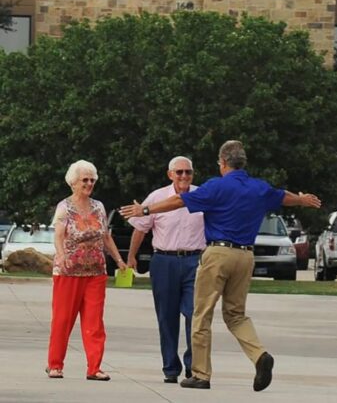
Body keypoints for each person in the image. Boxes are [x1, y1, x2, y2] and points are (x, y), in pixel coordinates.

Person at [119, 140, 321, 391]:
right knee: (236, 315)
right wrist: (302, 200)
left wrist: (145, 210)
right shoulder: (259, 187)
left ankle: (201, 374)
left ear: (223, 163)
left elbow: (179, 201)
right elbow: (283, 197)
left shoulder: (216, 186)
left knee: (201, 314)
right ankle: (259, 355)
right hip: (246, 256)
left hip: (218, 254)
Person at [127, 156, 206, 384]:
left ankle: (194, 366)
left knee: (194, 314)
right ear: (170, 174)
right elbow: (141, 228)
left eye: (188, 172)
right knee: (167, 316)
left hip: (194, 260)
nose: (184, 176)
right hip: (164, 260)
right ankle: (171, 368)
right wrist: (131, 256)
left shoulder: (202, 195)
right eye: (179, 172)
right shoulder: (157, 197)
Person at [48, 160, 127, 381]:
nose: (89, 183)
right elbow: (58, 235)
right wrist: (61, 255)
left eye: (92, 180)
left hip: (96, 271)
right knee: (63, 320)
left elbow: (106, 236)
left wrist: (119, 260)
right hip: (68, 272)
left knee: (94, 322)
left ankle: (94, 368)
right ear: (73, 182)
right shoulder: (64, 207)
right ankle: (55, 365)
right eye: (85, 180)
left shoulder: (99, 207)